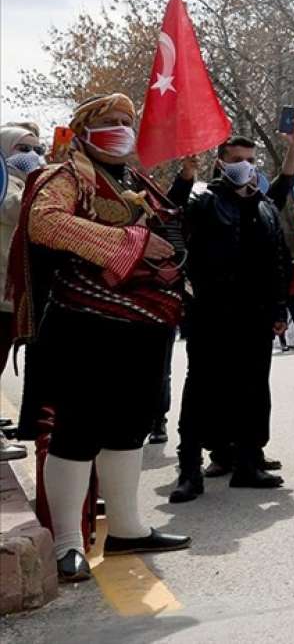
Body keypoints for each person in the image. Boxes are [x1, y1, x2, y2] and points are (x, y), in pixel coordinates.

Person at [7, 93, 191, 580]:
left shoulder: (138, 181)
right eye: (109, 121)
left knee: (128, 427)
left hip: (143, 324)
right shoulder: (63, 176)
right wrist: (130, 243)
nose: (120, 128)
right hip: (84, 324)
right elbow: (45, 224)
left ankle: (127, 527)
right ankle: (68, 540)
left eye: (126, 121)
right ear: (84, 129)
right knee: (77, 431)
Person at [165, 127, 294, 503]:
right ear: (221, 163)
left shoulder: (264, 205)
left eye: (251, 161)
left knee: (253, 390)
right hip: (211, 315)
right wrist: (185, 177)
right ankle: (190, 470)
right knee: (201, 391)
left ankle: (248, 462)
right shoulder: (204, 201)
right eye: (237, 160)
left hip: (255, 316)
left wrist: (278, 308)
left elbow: (276, 260)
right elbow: (169, 217)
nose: (245, 167)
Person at [0, 125, 42, 462]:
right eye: (24, 148)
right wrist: (37, 182)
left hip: (9, 294)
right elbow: (15, 209)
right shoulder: (5, 182)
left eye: (37, 148)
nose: (32, 155)